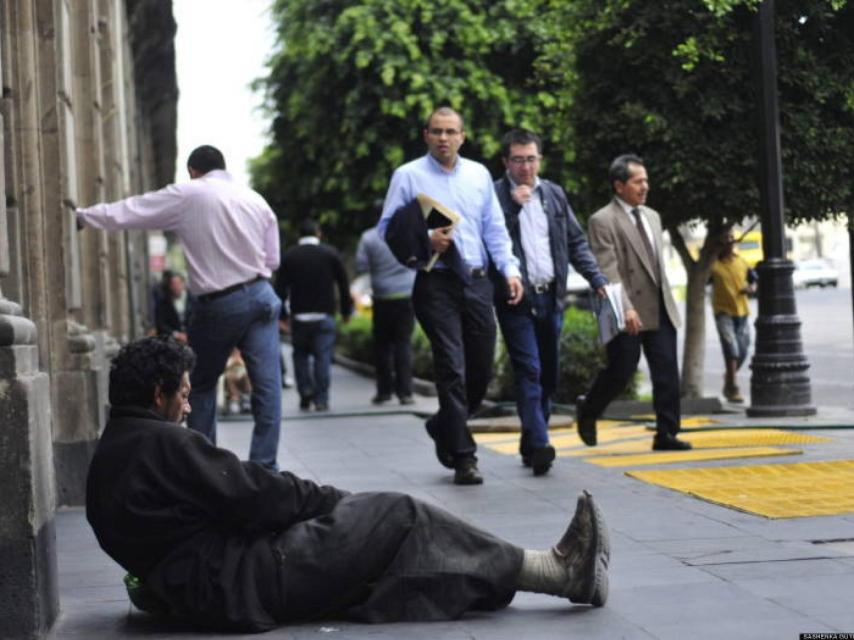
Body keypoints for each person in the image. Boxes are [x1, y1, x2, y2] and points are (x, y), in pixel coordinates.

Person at [86, 336, 610, 632]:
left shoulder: (113, 454)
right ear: (158, 394)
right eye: (181, 394)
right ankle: (553, 571)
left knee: (385, 551)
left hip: (216, 588)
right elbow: (256, 495)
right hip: (251, 580)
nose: (186, 405)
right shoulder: (163, 444)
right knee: (397, 513)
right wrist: (336, 502)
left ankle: (526, 576)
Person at [75, 145, 283, 470]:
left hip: (220, 302)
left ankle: (207, 470)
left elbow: (135, 210)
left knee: (198, 387)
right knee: (268, 389)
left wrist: (85, 215)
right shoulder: (255, 199)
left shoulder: (190, 193)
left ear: (193, 171)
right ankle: (265, 469)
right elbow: (273, 260)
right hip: (261, 296)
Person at [378, 107, 524, 486]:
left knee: (481, 370)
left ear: (462, 136)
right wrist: (426, 241)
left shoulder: (478, 176)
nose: (444, 138)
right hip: (435, 282)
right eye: (437, 131)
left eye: (451, 132)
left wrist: (509, 270)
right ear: (426, 134)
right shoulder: (408, 176)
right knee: (451, 368)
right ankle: (464, 457)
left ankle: (444, 423)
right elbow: (388, 229)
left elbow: (495, 229)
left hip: (477, 282)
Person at [493, 130, 608, 476]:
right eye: (518, 159)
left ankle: (531, 442)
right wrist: (514, 204)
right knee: (529, 370)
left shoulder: (553, 194)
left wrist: (597, 278)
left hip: (551, 297)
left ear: (539, 159)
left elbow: (575, 242)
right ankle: (541, 443)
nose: (525, 166)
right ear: (505, 162)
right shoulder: (496, 196)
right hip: (517, 300)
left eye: (531, 159)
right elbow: (493, 237)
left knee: (548, 376)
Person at [576, 154, 692, 451]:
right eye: (638, 181)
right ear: (619, 186)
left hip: (659, 306)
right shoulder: (602, 220)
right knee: (621, 370)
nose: (645, 187)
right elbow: (608, 269)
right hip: (623, 307)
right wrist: (626, 307)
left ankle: (666, 434)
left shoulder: (652, 216)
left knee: (666, 372)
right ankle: (589, 409)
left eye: (646, 180)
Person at [276, 219, 352, 412]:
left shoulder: (290, 256)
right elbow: (343, 284)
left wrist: (282, 316)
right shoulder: (330, 254)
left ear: (299, 235)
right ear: (318, 233)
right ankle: (321, 399)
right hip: (324, 316)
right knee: (322, 357)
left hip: (299, 317)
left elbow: (280, 288)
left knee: (300, 356)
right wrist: (345, 311)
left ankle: (305, 392)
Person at [355, 223, 417, 406]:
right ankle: (405, 393)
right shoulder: (407, 231)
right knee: (403, 343)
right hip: (407, 294)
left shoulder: (369, 237)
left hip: (382, 296)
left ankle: (384, 392)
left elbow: (361, 265)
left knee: (382, 346)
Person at [710, 231, 757, 403]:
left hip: (742, 312)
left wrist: (751, 288)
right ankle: (733, 387)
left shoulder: (741, 262)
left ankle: (729, 377)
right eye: (725, 239)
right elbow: (702, 282)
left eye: (731, 239)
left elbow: (754, 280)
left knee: (743, 350)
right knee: (731, 349)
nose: (729, 243)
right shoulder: (713, 266)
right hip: (723, 313)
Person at [153, 271, 195, 343]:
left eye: (178, 283)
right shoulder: (163, 302)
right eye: (173, 284)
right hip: (172, 341)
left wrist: (189, 335)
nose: (176, 286)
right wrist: (177, 335)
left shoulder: (193, 300)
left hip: (192, 339)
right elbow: (161, 324)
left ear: (183, 284)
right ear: (170, 286)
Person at [223, 348, 252, 415]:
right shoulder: (228, 357)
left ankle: (246, 398)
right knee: (229, 378)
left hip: (242, 376)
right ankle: (234, 399)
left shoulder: (245, 355)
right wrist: (232, 362)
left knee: (247, 376)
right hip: (231, 376)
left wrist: (240, 361)